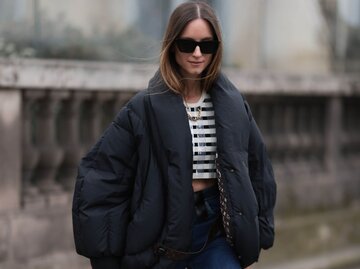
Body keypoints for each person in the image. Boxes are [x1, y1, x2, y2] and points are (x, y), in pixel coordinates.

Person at [72, 1, 276, 269]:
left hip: (216, 231)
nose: (198, 53)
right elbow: (102, 177)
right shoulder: (143, 108)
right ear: (172, 45)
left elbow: (258, 168)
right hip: (161, 234)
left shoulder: (233, 105)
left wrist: (257, 229)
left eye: (208, 44)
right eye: (187, 44)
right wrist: (105, 255)